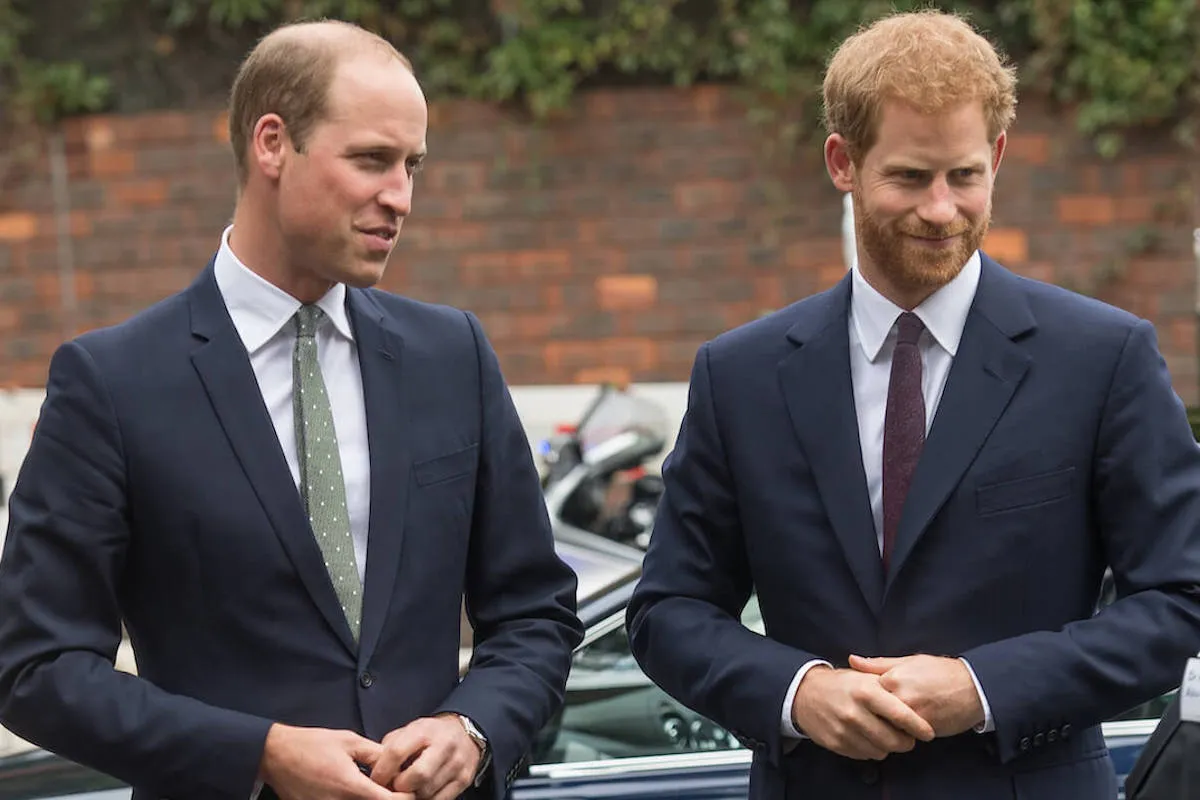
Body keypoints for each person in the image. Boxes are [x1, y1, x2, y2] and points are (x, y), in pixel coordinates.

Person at [0, 19, 583, 800]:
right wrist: (258, 754)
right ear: (272, 143)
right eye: (372, 160)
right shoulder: (112, 382)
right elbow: (36, 666)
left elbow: (537, 612)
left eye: (412, 166)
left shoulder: (453, 355)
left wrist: (471, 726)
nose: (400, 197)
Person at [626, 9, 1200, 799]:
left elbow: (1179, 599)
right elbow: (668, 611)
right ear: (842, 161)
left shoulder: (1103, 358)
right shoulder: (741, 375)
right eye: (908, 177)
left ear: (997, 157)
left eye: (964, 176)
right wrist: (799, 694)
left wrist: (984, 687)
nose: (940, 210)